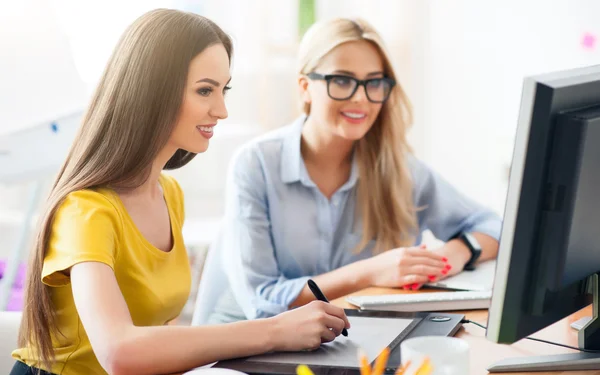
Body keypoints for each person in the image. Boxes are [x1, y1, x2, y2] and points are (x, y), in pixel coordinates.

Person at [1, 9, 350, 375]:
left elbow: (158, 335)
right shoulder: (86, 211)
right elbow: (118, 351)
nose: (221, 109)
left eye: (224, 89)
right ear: (152, 92)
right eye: (205, 90)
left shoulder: (169, 194)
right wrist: (272, 332)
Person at [193, 17, 502, 325]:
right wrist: (371, 272)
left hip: (345, 337)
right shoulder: (255, 165)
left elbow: (494, 226)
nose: (360, 97)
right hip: (249, 344)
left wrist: (454, 255)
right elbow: (262, 303)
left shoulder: (398, 169)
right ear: (305, 87)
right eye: (342, 80)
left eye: (374, 83)